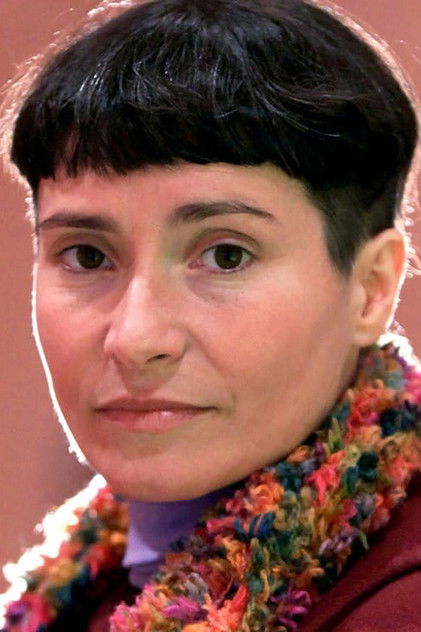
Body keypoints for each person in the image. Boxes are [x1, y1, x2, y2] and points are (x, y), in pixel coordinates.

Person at [0, 0, 420, 630]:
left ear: (371, 287)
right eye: (87, 255)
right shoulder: (85, 590)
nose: (135, 338)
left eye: (226, 255)